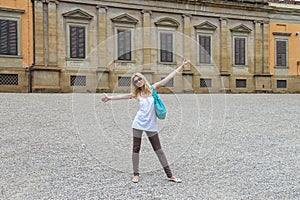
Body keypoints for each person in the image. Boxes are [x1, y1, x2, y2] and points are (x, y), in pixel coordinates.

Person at [101, 59, 191, 183]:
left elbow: (168, 78)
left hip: (151, 125)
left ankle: (170, 175)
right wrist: (109, 98)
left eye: (139, 79)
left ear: (143, 79)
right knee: (136, 149)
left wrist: (181, 66)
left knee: (158, 150)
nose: (138, 82)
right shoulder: (136, 94)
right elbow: (124, 96)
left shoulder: (153, 89)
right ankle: (136, 174)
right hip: (138, 123)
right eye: (135, 81)